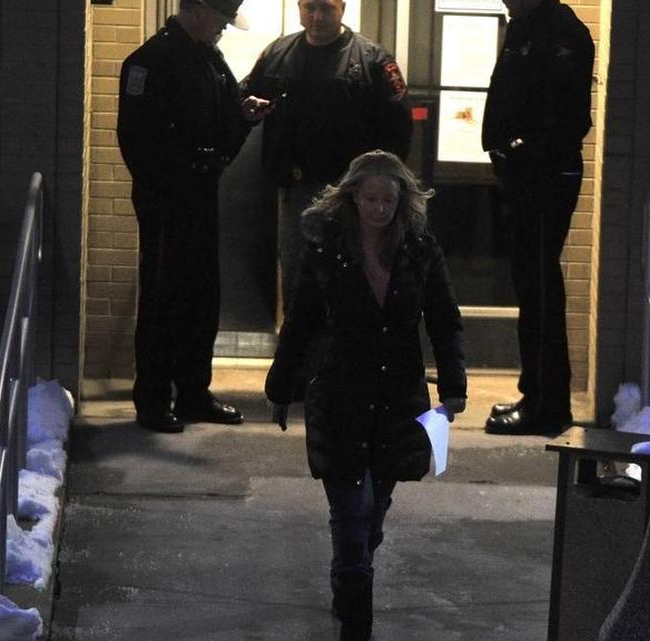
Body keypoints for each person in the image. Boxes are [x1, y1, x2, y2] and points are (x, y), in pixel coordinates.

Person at [264, 151, 466, 641]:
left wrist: (454, 386)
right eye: (371, 199)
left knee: (375, 510)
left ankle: (349, 577)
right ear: (352, 196)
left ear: (402, 202)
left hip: (398, 394)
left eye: (388, 201)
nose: (379, 209)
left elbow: (443, 317)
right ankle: (357, 619)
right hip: (340, 391)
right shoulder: (326, 249)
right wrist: (281, 387)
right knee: (351, 509)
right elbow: (302, 321)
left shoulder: (419, 248)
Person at [117, 0, 270, 432]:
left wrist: (243, 117)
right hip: (167, 202)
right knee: (164, 299)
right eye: (222, 19)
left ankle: (192, 392)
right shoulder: (150, 62)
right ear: (199, 10)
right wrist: (170, 186)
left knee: (201, 298)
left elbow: (221, 123)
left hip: (200, 196)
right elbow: (136, 142)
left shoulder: (210, 60)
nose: (224, 28)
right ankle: (152, 399)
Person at [240, 0, 413, 313]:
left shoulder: (371, 59)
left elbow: (399, 126)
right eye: (310, 8)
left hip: (353, 194)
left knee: (354, 275)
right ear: (299, 8)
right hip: (297, 190)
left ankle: (349, 357)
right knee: (296, 274)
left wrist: (383, 185)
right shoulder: (278, 54)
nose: (317, 17)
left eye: (326, 9)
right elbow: (245, 96)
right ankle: (298, 354)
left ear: (343, 9)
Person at [481, 0, 593, 436]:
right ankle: (537, 393)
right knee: (532, 286)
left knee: (542, 289)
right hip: (527, 174)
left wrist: (525, 151)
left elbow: (562, 115)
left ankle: (548, 404)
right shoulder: (528, 26)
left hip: (544, 176)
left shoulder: (560, 31)